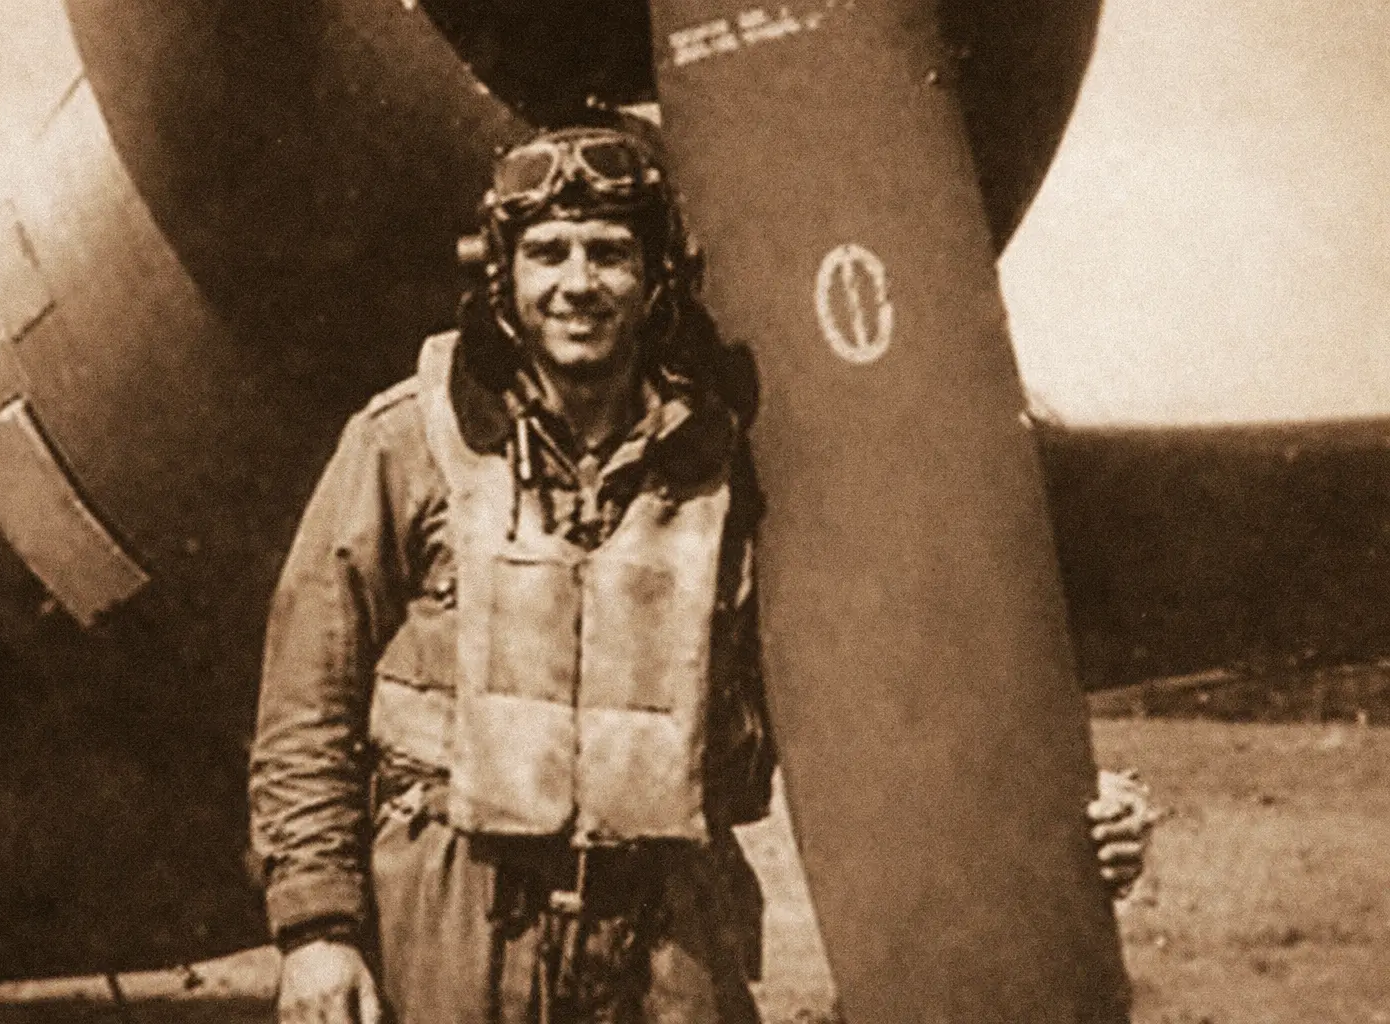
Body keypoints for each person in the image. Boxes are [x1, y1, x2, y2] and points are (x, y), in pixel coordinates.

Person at [248, 109, 1152, 1024]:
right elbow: (305, 710)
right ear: (501, 275)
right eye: (547, 253)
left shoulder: (735, 465)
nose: (577, 284)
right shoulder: (403, 443)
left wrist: (1067, 812)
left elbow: (890, 691)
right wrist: (317, 930)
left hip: (669, 927)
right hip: (451, 921)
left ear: (655, 280)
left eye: (608, 253)